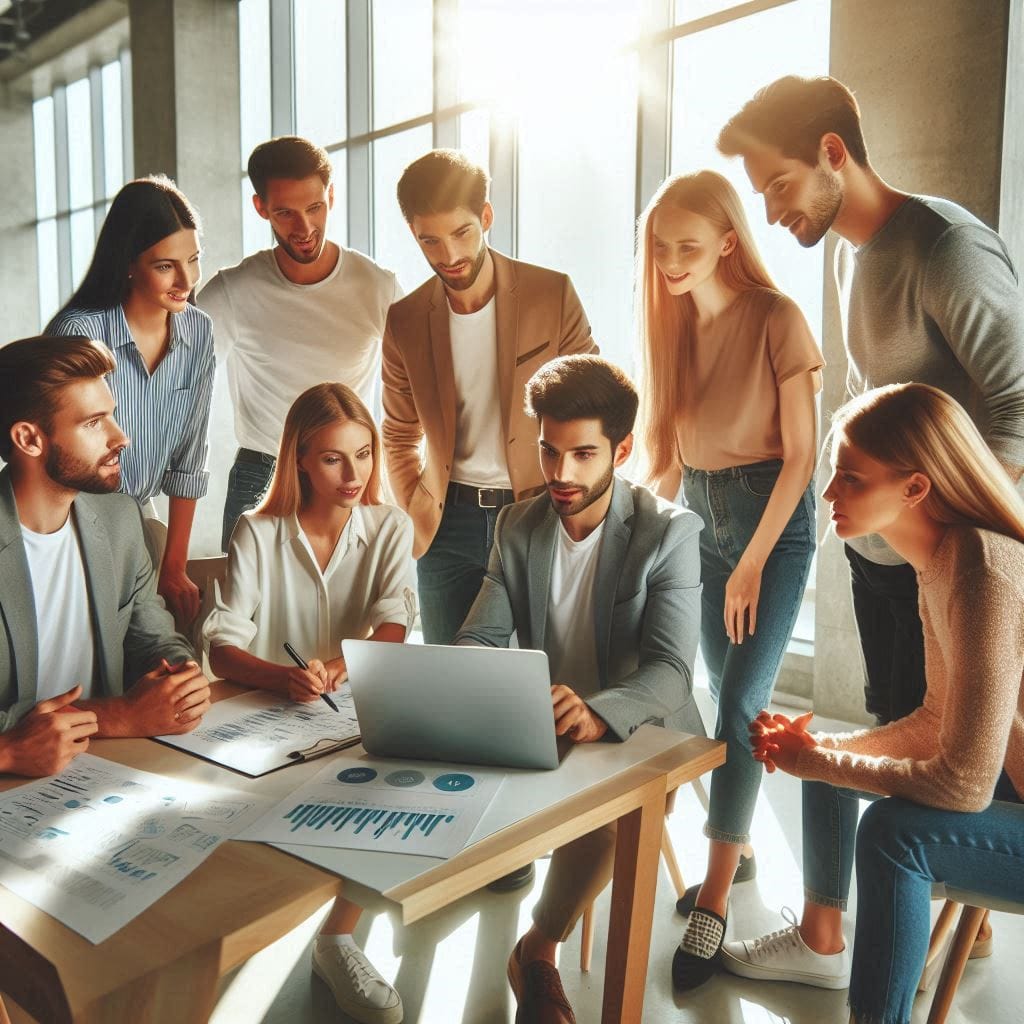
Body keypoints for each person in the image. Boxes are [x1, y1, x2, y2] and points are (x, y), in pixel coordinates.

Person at [717, 74, 1024, 727]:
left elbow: (1019, 403)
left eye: (779, 185)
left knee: (942, 765)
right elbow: (864, 393)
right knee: (888, 727)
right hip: (878, 555)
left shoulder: (948, 247)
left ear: (833, 152)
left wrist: (949, 545)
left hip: (940, 559)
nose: (771, 214)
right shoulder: (847, 253)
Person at [720, 383, 1024, 1024]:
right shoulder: (940, 560)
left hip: (1005, 795)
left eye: (850, 478)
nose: (828, 494)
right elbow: (937, 721)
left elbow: (965, 784)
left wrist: (819, 762)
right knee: (825, 748)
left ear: (915, 488)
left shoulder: (981, 571)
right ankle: (818, 942)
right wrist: (817, 753)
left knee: (890, 835)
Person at [454, 355, 705, 1024]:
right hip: (548, 716)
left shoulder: (669, 531)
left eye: (583, 454)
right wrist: (491, 685)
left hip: (643, 721)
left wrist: (598, 712)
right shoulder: (517, 525)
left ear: (622, 449)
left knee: (623, 804)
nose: (561, 473)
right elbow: (480, 637)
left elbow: (670, 669)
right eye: (549, 452)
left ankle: (537, 948)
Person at [634, 171, 822, 990]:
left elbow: (804, 456)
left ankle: (712, 899)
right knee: (715, 692)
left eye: (688, 246)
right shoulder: (671, 327)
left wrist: (749, 562)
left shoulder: (777, 318)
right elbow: (669, 462)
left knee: (744, 706)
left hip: (769, 531)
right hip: (700, 519)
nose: (672, 262)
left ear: (727, 240)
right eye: (660, 248)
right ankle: (737, 850)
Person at [204, 382, 413, 1024]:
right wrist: (280, 678)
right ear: (299, 459)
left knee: (389, 789)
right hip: (262, 718)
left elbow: (395, 622)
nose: (354, 474)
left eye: (364, 454)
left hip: (352, 711)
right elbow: (220, 644)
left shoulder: (388, 526)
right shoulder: (257, 530)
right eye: (333, 459)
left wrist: (340, 666)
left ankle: (335, 937)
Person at [383, 149, 598, 648]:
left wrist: (576, 507)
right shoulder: (406, 319)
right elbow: (397, 433)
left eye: (461, 233)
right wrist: (418, 507)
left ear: (486, 217)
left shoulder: (552, 293)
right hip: (446, 527)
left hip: (539, 512)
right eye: (429, 240)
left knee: (548, 676)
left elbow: (596, 404)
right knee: (451, 686)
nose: (449, 255)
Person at [0, 335, 211, 776]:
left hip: (110, 769)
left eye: (111, 415)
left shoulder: (120, 518)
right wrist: (9, 752)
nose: (122, 437)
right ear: (29, 439)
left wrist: (179, 679)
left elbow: (153, 638)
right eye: (94, 423)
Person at [197, 136, 401, 551]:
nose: (304, 228)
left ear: (332, 195)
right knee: (247, 614)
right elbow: (176, 382)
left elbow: (421, 382)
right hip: (262, 474)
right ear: (261, 209)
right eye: (286, 213)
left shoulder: (376, 286)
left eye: (315, 208)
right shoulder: (232, 291)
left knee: (348, 613)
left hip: (347, 477)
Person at [46, 176, 216, 628]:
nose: (186, 280)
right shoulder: (79, 332)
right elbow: (55, 458)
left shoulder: (198, 332)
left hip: (142, 522)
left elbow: (190, 458)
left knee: (171, 652)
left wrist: (174, 566)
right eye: (166, 266)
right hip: (72, 522)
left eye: (194, 259)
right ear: (128, 264)